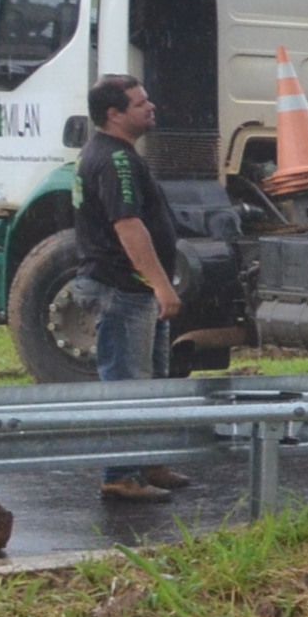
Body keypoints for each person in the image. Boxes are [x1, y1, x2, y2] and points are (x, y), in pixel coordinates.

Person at [73, 74, 192, 501]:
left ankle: (147, 462)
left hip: (132, 290)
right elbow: (128, 226)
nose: (151, 107)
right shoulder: (115, 160)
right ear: (114, 114)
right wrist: (162, 285)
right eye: (140, 103)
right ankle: (120, 474)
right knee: (129, 384)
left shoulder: (118, 155)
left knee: (153, 382)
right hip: (121, 289)